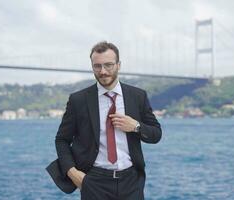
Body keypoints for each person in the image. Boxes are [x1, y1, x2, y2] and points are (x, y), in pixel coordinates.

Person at [46, 41, 162, 200]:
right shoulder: (78, 100)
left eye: (108, 65)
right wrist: (72, 172)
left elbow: (156, 134)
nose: (103, 71)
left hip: (131, 181)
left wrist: (135, 126)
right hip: (94, 181)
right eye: (97, 66)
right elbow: (62, 140)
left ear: (119, 65)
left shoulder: (137, 96)